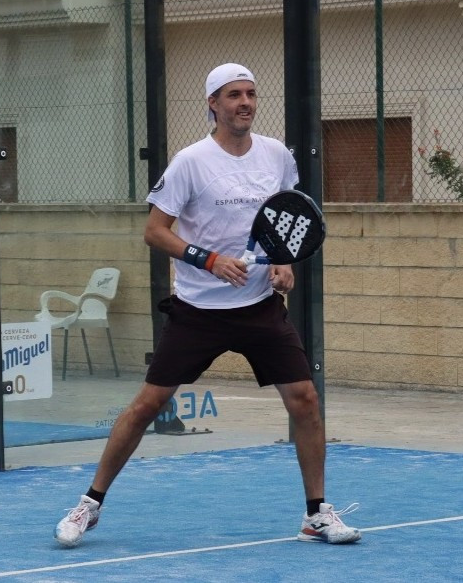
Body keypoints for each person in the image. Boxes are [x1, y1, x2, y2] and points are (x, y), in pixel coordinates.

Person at [54, 63, 361, 547]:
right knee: (147, 405)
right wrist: (209, 260)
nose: (245, 103)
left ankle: (316, 515)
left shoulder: (277, 156)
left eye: (251, 94)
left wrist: (284, 263)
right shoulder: (190, 162)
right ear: (213, 104)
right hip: (197, 312)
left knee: (305, 399)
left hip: (259, 306)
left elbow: (284, 222)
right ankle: (89, 505)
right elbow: (154, 231)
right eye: (233, 95)